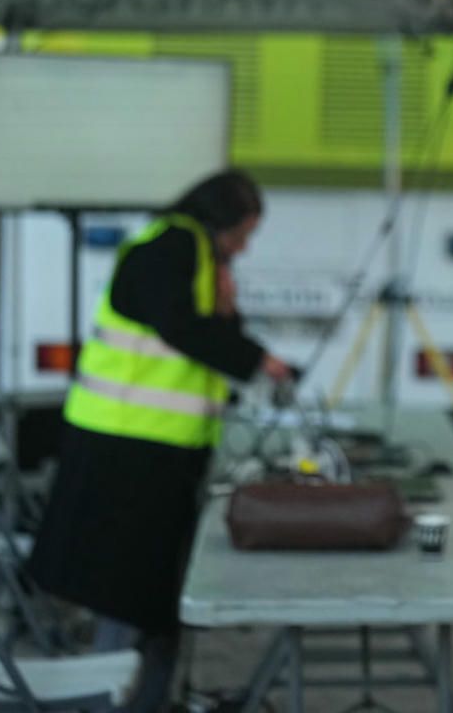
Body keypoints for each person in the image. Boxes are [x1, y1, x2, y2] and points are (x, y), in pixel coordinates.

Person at [27, 168, 293, 713]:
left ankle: (149, 697)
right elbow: (181, 328)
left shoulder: (188, 252)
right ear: (220, 222)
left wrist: (230, 315)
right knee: (126, 594)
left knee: (150, 596)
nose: (243, 249)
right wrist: (256, 359)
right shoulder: (173, 246)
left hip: (150, 449)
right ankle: (112, 699)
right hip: (126, 450)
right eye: (243, 235)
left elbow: (195, 327)